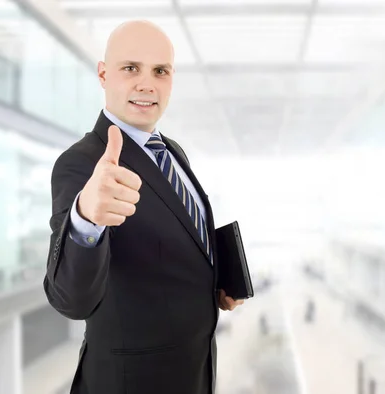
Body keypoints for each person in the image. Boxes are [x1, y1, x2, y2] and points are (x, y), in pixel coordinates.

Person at [44, 20, 244, 394]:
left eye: (160, 71)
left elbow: (171, 243)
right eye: (131, 68)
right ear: (104, 74)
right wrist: (86, 218)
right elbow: (70, 298)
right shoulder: (82, 165)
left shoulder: (172, 151)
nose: (147, 84)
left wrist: (214, 283)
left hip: (193, 371)